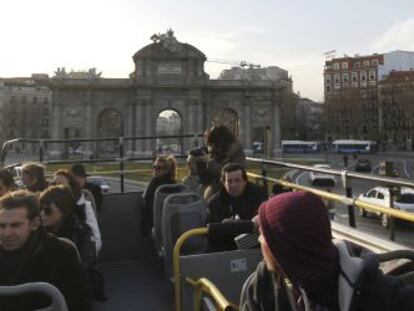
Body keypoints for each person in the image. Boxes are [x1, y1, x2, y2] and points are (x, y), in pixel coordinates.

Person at [240, 191, 414, 311]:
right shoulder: (261, 284)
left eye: (265, 236)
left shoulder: (372, 289)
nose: (259, 240)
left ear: (286, 249)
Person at [0, 190, 91, 311]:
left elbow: (80, 303)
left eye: (16, 225)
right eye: (1, 226)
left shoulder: (63, 254)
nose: (6, 234)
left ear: (35, 223)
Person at [52, 169, 102, 254]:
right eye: (54, 184)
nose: (56, 188)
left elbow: (96, 240)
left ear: (71, 187)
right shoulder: (48, 207)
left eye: (60, 185)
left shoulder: (84, 206)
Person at [199, 125, 246, 199]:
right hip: (222, 182)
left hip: (231, 182)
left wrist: (209, 162)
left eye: (212, 144)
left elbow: (226, 171)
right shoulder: (224, 149)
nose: (211, 147)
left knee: (208, 194)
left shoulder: (232, 151)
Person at [142, 155, 177, 235]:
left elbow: (147, 203)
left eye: (158, 168)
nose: (155, 170)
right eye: (154, 167)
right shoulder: (175, 184)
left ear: (166, 170)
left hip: (156, 226)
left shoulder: (155, 182)